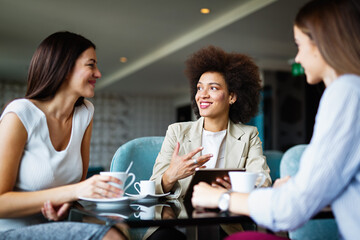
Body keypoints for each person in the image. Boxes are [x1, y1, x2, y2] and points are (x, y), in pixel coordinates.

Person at [192, 0, 360, 240]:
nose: (298, 58)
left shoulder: (346, 93)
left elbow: (292, 208)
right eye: (200, 88)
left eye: (299, 45)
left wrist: (220, 198)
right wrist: (298, 188)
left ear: (323, 43)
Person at [0, 31, 126, 239]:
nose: (98, 73)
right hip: (9, 231)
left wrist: (66, 204)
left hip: (54, 226)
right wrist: (72, 193)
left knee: (121, 228)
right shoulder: (20, 114)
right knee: (109, 235)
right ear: (65, 68)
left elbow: (75, 190)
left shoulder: (85, 113)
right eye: (91, 65)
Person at [146, 46, 272, 240]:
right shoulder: (177, 132)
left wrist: (234, 188)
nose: (202, 95)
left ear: (232, 96)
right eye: (199, 88)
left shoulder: (249, 135)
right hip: (178, 223)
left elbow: (263, 181)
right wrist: (171, 176)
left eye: (213, 88)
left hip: (225, 221)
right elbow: (151, 190)